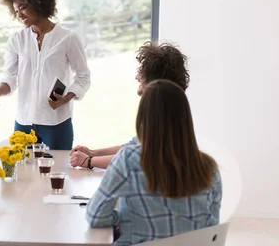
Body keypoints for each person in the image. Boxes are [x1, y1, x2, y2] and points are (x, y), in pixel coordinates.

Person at [86, 80, 222, 245]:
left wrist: (121, 218)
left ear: (143, 118)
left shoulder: (129, 159)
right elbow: (212, 229)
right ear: (186, 119)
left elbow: (96, 216)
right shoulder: (209, 167)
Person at [0, 0, 90, 149]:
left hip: (57, 122)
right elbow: (10, 78)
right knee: (21, 174)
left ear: (40, 1)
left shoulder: (68, 38)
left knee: (57, 172)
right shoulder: (17, 39)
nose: (19, 13)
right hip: (24, 122)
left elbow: (83, 76)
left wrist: (67, 97)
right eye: (16, 9)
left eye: (23, 7)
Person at [70, 41, 189, 169]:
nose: (137, 77)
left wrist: (89, 161)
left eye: (141, 72)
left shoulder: (161, 113)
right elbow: (133, 146)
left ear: (154, 80)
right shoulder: (168, 107)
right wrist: (93, 153)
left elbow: (137, 157)